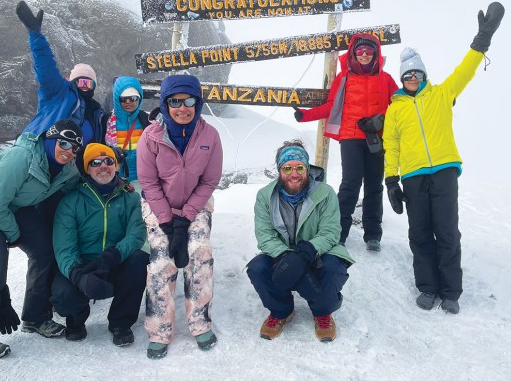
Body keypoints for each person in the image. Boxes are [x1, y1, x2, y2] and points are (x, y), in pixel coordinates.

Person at [383, 2, 505, 314]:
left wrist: (482, 40)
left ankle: (451, 291)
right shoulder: (394, 109)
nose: (412, 77)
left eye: (416, 73)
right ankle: (427, 287)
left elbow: (465, 70)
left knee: (447, 231)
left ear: (423, 75)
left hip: (444, 172)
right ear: (402, 79)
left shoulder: (441, 94)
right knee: (420, 233)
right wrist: (391, 181)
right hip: (412, 176)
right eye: (407, 75)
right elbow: (391, 145)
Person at [0, 119, 84, 360]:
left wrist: (118, 186)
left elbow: (82, 187)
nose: (69, 151)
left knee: (45, 251)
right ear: (49, 139)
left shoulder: (68, 169)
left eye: (75, 147)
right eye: (63, 143)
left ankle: (36, 317)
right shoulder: (22, 158)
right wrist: (12, 235)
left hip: (14, 204)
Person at [137, 74, 223, 359]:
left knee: (199, 252)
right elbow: (148, 184)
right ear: (165, 103)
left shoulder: (209, 136)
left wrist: (185, 220)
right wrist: (167, 223)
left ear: (197, 103)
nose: (182, 108)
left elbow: (209, 182)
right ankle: (159, 330)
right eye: (175, 101)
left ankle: (199, 323)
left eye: (189, 101)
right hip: (158, 206)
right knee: (162, 261)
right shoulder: (150, 137)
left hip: (195, 206)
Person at [293, 33, 398, 252]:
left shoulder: (385, 79)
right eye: (360, 51)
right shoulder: (344, 78)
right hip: (351, 137)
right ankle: (338, 233)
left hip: (376, 139)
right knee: (350, 184)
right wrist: (306, 115)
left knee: (374, 186)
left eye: (369, 51)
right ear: (353, 53)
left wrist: (427, 102)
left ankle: (373, 235)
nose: (364, 55)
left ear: (376, 53)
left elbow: (401, 105)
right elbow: (331, 106)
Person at [247, 140, 354, 342]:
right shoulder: (265, 196)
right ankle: (281, 311)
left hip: (318, 253)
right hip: (282, 255)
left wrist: (308, 251)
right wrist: (285, 255)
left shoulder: (325, 193)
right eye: (287, 168)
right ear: (279, 170)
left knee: (333, 268)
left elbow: (331, 231)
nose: (293, 174)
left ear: (307, 169)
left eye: (299, 167)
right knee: (257, 268)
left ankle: (323, 313)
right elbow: (265, 234)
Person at [51, 143, 148, 344]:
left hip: (114, 259)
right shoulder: (71, 201)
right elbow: (64, 246)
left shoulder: (130, 197)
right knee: (63, 292)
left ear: (116, 166)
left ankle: (120, 323)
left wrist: (112, 256)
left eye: (108, 161)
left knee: (140, 260)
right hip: (83, 264)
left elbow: (136, 233)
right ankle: (76, 321)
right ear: (87, 168)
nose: (103, 166)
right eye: (95, 162)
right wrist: (79, 276)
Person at [15, 0, 108, 169]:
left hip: (74, 173)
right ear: (70, 81)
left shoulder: (96, 112)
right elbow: (45, 67)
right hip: (39, 162)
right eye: (80, 81)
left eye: (89, 82)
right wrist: (36, 35)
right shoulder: (58, 92)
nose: (84, 86)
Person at [105, 76, 149, 183]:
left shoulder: (146, 120)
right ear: (117, 98)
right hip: (115, 179)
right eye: (124, 99)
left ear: (139, 98)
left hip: (142, 179)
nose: (128, 102)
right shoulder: (106, 121)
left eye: (133, 98)